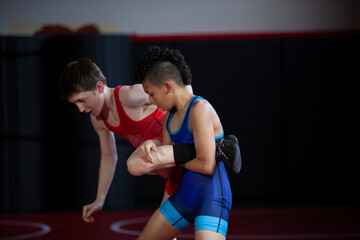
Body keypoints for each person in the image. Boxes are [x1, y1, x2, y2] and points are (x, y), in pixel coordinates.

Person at [58, 58, 240, 224]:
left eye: (82, 100)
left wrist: (189, 125)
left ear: (99, 87)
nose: (80, 109)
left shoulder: (129, 96)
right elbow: (108, 156)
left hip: (171, 144)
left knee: (136, 164)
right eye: (75, 104)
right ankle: (216, 149)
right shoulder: (97, 119)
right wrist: (100, 199)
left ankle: (212, 148)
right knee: (147, 172)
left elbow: (184, 90)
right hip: (166, 163)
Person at [128, 46, 233, 240]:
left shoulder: (200, 109)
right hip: (185, 196)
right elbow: (167, 172)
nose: (150, 101)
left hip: (213, 196)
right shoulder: (168, 119)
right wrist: (154, 150)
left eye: (151, 93)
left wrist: (173, 156)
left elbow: (207, 165)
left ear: (168, 87)